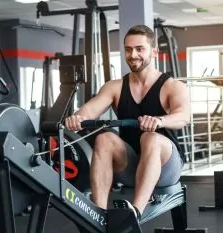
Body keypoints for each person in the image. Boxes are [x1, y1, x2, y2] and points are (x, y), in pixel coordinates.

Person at [65, 24, 190, 221]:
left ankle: (135, 212)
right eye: (128, 49)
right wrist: (78, 118)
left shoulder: (172, 86)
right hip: (132, 166)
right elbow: (90, 109)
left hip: (166, 167)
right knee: (105, 138)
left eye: (140, 49)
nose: (133, 55)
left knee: (151, 138)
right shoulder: (114, 87)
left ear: (154, 52)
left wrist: (159, 120)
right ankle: (99, 215)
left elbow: (183, 116)